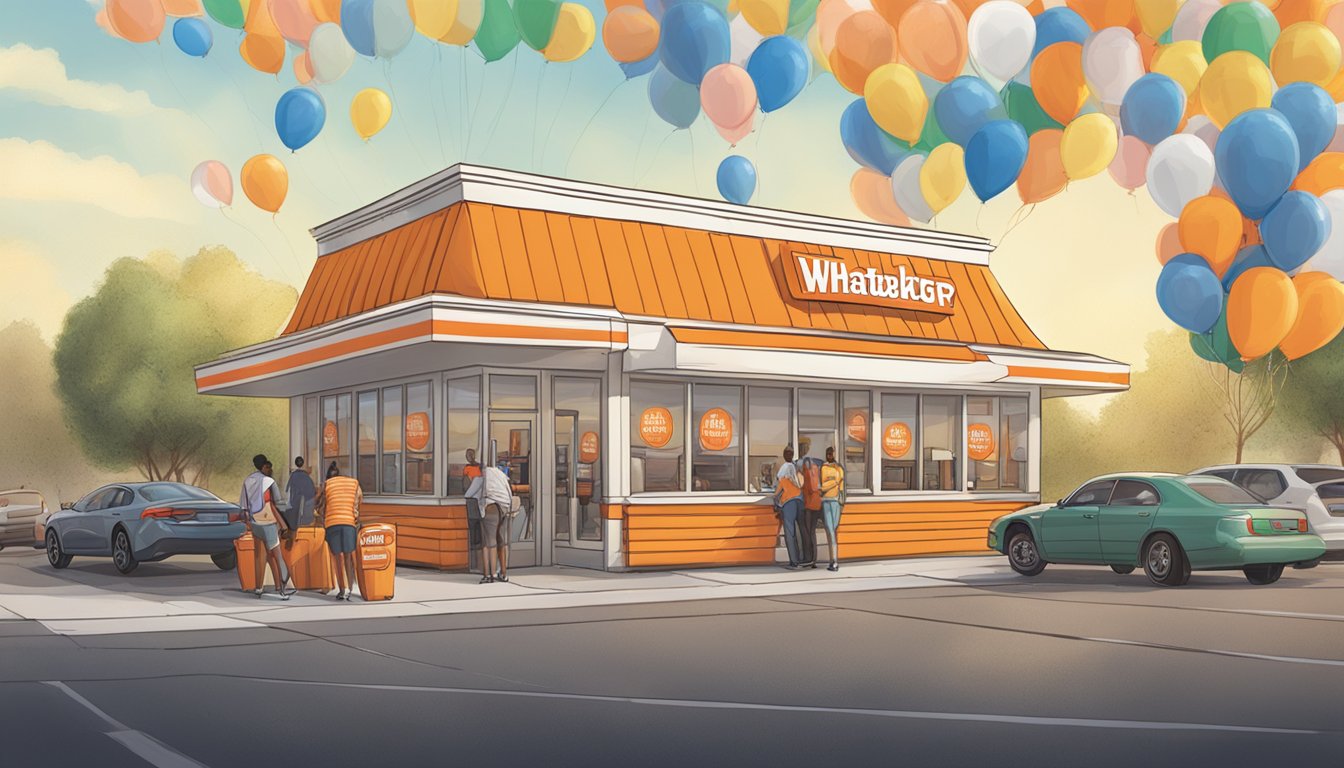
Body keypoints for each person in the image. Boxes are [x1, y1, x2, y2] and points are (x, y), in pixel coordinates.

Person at [239, 454, 296, 599]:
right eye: (268, 467)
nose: (270, 470)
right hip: (268, 521)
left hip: (254, 521)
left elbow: (244, 505)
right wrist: (284, 523)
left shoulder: (247, 481)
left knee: (259, 555)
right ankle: (284, 590)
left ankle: (259, 588)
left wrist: (248, 522)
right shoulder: (268, 481)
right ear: (264, 466)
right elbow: (278, 502)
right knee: (278, 556)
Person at [317, 464, 362, 601]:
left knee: (337, 558)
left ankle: (341, 590)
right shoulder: (354, 483)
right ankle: (349, 589)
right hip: (348, 523)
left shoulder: (326, 485)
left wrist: (321, 515)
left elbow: (321, 505)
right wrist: (354, 516)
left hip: (333, 523)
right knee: (348, 556)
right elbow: (358, 501)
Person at [471, 461, 513, 584]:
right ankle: (503, 573)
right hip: (505, 506)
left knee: (488, 541)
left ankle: (489, 574)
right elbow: (509, 491)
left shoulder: (482, 477)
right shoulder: (500, 474)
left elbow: (470, 493)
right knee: (501, 540)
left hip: (490, 506)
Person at [773, 447, 805, 570]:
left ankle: (794, 561)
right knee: (800, 532)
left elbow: (777, 491)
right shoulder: (797, 469)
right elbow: (801, 484)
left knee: (790, 533)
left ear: (784, 455)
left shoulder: (783, 470)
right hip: (800, 501)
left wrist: (775, 497)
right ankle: (803, 559)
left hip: (789, 503)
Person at [820, 447, 846, 572]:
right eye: (828, 453)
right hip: (825, 501)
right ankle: (834, 561)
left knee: (833, 530)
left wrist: (842, 501)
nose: (829, 455)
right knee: (830, 531)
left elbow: (841, 486)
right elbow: (822, 486)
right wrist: (833, 483)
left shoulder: (839, 468)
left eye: (831, 454)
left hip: (835, 501)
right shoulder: (823, 468)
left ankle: (834, 560)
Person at [797, 449, 824, 569]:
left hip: (808, 504)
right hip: (817, 503)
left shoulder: (805, 469)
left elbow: (806, 486)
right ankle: (813, 560)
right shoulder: (816, 468)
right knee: (812, 532)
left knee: (807, 532)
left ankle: (808, 558)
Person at [463, 449, 484, 574]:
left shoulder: (479, 469)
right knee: (473, 532)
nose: (469, 457)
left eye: (471, 454)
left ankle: (478, 562)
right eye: (467, 455)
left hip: (475, 503)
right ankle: (475, 561)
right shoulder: (466, 469)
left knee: (478, 533)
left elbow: (469, 491)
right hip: (472, 503)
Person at [283, 456, 316, 530]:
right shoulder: (307, 477)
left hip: (295, 505)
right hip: (307, 507)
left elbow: (288, 492)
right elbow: (312, 493)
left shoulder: (293, 476)